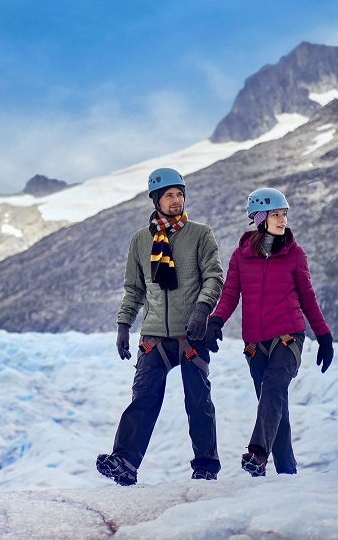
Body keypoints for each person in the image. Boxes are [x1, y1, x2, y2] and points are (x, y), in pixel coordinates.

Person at [96, 168, 224, 485]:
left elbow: (214, 276)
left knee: (198, 402)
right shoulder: (141, 241)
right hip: (153, 336)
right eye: (169, 195)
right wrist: (124, 325)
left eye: (180, 194)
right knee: (143, 398)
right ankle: (124, 463)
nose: (176, 200)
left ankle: (206, 466)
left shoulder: (200, 234)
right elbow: (135, 289)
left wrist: (202, 310)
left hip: (191, 334)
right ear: (155, 199)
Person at [208, 187, 334, 477]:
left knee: (274, 388)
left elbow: (308, 298)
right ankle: (288, 475)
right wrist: (216, 321)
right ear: (260, 218)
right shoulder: (241, 257)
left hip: (289, 337)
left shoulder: (295, 254)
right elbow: (230, 294)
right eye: (276, 214)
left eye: (284, 214)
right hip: (255, 344)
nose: (282, 220)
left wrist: (323, 336)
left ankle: (258, 453)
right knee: (275, 408)